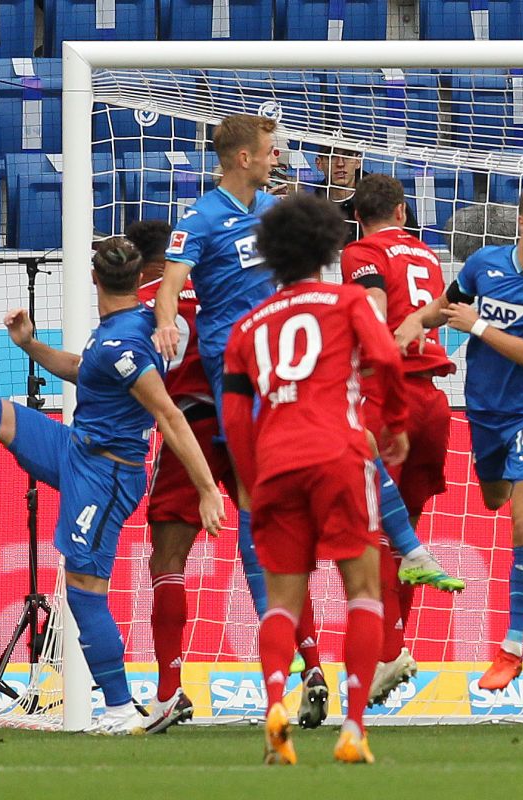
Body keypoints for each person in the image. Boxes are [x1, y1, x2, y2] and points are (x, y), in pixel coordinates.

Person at [0, 239, 224, 734]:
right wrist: (29, 344)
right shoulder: (125, 328)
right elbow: (83, 369)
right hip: (76, 448)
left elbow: (170, 416)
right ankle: (121, 706)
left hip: (107, 474)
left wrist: (207, 489)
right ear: (136, 281)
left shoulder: (123, 343)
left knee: (84, 591)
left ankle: (120, 709)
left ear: (93, 280)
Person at [152, 113, 330, 728]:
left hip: (280, 371)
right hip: (237, 371)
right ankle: (296, 671)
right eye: (268, 149)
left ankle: (301, 670)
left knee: (272, 520)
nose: (276, 155)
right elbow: (171, 282)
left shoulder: (274, 214)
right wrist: (167, 319)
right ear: (242, 159)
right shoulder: (200, 217)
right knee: (261, 517)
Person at [222, 193, 407, 765]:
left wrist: (251, 479)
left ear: (270, 254)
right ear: (328, 246)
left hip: (276, 464)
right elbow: (388, 359)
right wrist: (395, 422)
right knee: (364, 591)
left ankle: (276, 705)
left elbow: (233, 417)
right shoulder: (348, 299)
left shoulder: (246, 325)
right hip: (339, 456)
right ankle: (353, 727)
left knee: (282, 600)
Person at [395, 183, 523, 690]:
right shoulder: (483, 264)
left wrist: (477, 327)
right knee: (493, 498)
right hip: (485, 413)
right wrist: (410, 327)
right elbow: (444, 306)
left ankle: (512, 647)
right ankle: (498, 482)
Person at [341, 173, 466, 706]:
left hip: (385, 396)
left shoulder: (361, 252)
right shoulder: (426, 256)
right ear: (401, 211)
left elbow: (371, 309)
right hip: (434, 404)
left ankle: (387, 651)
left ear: (360, 216)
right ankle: (394, 648)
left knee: (371, 532)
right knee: (404, 536)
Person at [313, 139, 421, 243]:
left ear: (358, 162)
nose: (340, 163)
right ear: (319, 163)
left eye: (348, 155)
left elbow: (411, 243)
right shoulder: (314, 208)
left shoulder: (385, 198)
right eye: (332, 156)